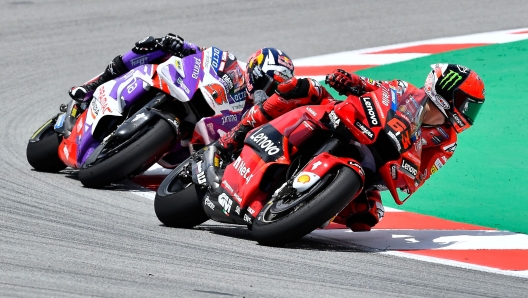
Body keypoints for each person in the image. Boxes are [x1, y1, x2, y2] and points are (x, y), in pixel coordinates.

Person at [213, 63, 485, 232]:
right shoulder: (405, 90)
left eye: (472, 107)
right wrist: (350, 81)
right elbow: (373, 87)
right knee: (302, 88)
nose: (467, 112)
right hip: (347, 124)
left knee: (367, 218)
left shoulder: (446, 142)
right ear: (446, 89)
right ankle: (233, 138)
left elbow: (420, 176)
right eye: (465, 102)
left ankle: (302, 208)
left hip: (375, 164)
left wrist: (403, 175)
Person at [68, 33, 295, 111]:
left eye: (274, 88)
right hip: (187, 90)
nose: (266, 91)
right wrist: (182, 46)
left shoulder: (257, 113)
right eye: (266, 82)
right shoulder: (233, 64)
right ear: (254, 68)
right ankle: (93, 85)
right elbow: (205, 54)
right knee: (154, 45)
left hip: (200, 139)